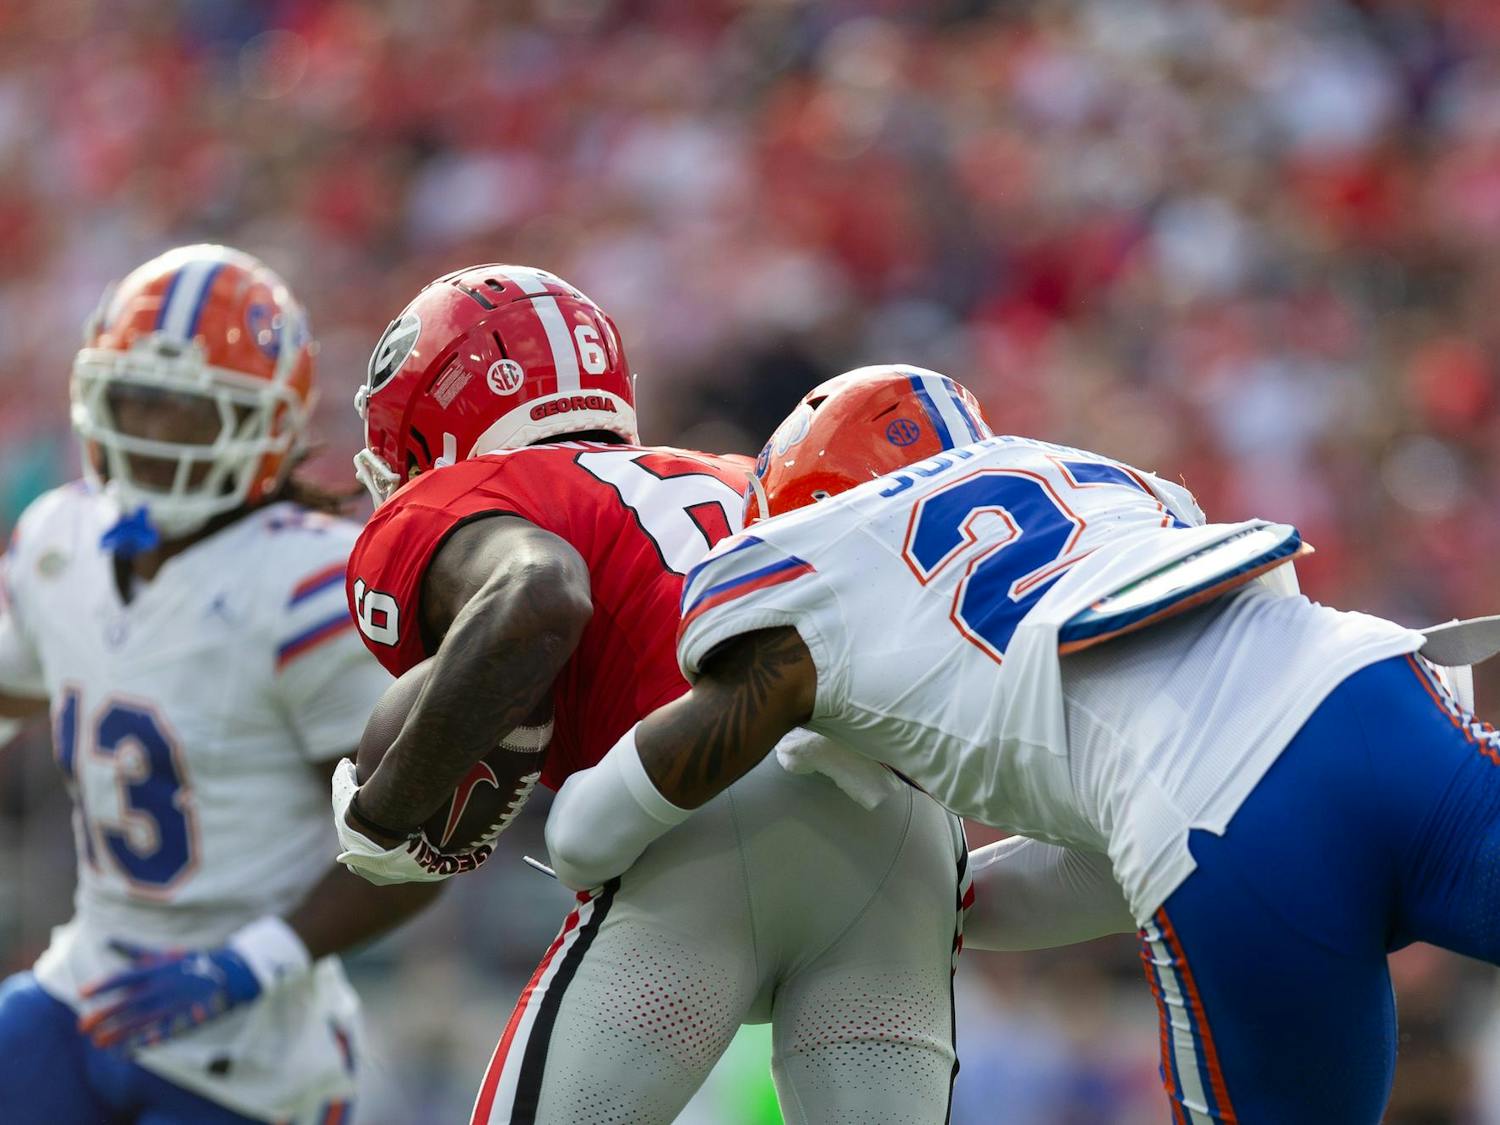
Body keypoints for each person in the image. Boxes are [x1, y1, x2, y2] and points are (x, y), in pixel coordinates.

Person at [544, 366, 1500, 1125]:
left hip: (1223, 825)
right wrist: (952, 902)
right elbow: (1122, 832)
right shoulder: (1100, 479)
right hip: (1375, 692)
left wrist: (575, 825)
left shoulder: (810, 561)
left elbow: (599, 826)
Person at [330, 265, 971, 1125]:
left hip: (703, 800)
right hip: (909, 840)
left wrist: (387, 812)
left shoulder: (471, 498)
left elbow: (536, 598)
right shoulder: (750, 471)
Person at [0, 244, 441, 1124]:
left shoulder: (311, 586)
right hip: (90, 976)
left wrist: (252, 961)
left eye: (192, 411)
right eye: (139, 399)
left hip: (254, 1040)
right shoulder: (60, 538)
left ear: (270, 428)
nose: (154, 433)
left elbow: (418, 846)